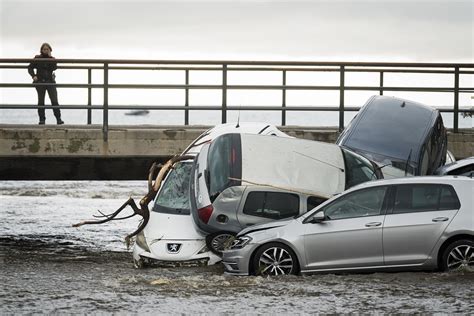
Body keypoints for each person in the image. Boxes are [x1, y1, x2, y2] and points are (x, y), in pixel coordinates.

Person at [28, 43, 64, 125]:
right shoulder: (37, 58)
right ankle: (42, 120)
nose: (46, 50)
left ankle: (58, 119)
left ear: (50, 50)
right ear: (41, 50)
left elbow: (54, 68)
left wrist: (50, 57)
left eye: (47, 49)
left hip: (50, 82)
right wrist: (33, 76)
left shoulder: (52, 59)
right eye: (44, 49)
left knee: (54, 101)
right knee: (41, 102)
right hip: (40, 82)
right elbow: (30, 67)